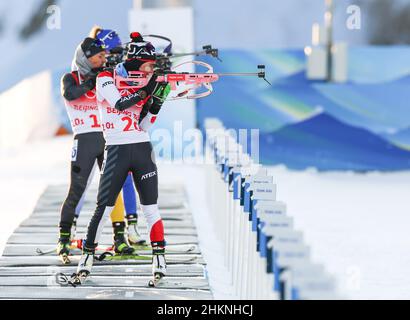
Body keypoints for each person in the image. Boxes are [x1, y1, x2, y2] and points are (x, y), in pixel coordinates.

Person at [74, 32, 170, 284]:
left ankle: (159, 258)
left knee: (150, 207)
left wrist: (157, 101)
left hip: (142, 150)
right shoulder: (106, 78)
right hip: (116, 150)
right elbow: (119, 104)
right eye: (149, 65)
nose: (151, 69)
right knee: (103, 208)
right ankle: (86, 257)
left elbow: (144, 124)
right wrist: (148, 89)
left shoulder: (142, 82)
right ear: (138, 62)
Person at [57, 37, 136, 263]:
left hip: (107, 139)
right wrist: (92, 82)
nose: (104, 59)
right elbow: (70, 94)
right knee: (77, 189)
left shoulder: (106, 76)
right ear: (86, 57)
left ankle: (120, 237)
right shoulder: (70, 77)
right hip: (84, 140)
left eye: (104, 55)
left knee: (114, 189)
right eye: (99, 56)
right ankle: (63, 237)